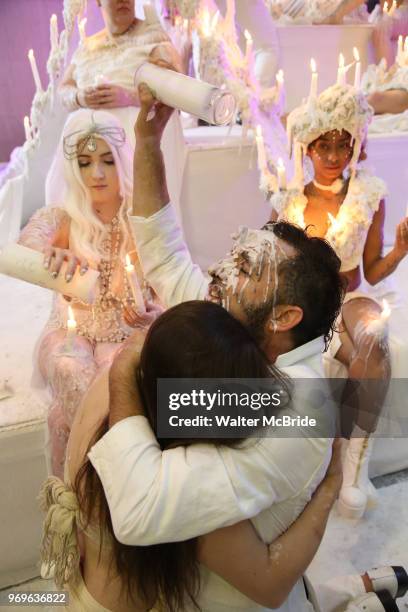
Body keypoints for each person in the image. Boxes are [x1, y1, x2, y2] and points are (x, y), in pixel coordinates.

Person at [40, 303, 407, 612]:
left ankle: (343, 591)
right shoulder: (178, 482)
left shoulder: (120, 390)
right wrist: (329, 488)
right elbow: (269, 585)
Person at [270, 83, 408, 518]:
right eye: (323, 146)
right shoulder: (286, 199)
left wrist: (401, 250)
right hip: (307, 302)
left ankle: (356, 467)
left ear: (355, 147)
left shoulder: (369, 195)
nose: (332, 157)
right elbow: (277, 264)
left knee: (373, 338)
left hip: (351, 297)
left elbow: (371, 271)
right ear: (307, 149)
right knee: (349, 355)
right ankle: (324, 463)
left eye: (342, 146)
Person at [18, 108, 160, 478]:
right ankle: (115, 479)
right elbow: (28, 243)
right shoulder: (62, 216)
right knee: (68, 366)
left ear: (122, 161)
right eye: (84, 163)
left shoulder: (144, 217)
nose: (96, 174)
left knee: (68, 413)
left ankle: (87, 496)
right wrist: (47, 253)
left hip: (126, 334)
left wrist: (154, 315)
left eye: (107, 161)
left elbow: (167, 283)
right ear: (72, 168)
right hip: (70, 332)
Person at [57, 0, 186, 215]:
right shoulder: (88, 45)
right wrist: (80, 97)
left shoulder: (153, 36)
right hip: (87, 140)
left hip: (134, 134)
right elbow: (64, 88)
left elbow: (176, 88)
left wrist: (130, 97)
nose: (124, 0)